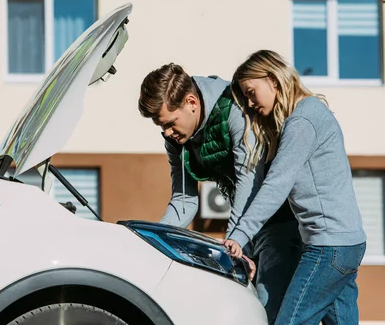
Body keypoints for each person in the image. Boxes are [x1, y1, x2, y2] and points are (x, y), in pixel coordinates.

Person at [138, 63, 302, 324]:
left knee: (265, 312)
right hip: (249, 226)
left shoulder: (234, 108)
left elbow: (249, 181)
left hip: (282, 218)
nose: (166, 133)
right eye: (161, 127)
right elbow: (183, 201)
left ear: (191, 102)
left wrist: (237, 246)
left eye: (169, 123)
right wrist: (151, 243)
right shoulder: (176, 139)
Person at [224, 50, 366, 325]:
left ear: (273, 80)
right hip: (346, 244)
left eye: (252, 92)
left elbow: (276, 185)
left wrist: (240, 235)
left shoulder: (302, 120)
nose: (251, 103)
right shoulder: (308, 114)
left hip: (328, 247)